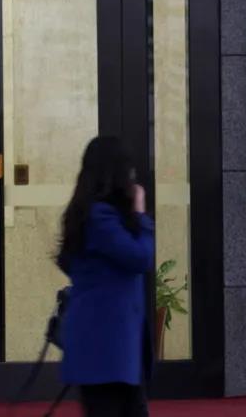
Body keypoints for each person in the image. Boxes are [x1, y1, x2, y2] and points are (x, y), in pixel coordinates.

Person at [56, 136, 154, 417]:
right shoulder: (99, 218)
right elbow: (140, 258)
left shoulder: (91, 214)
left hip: (111, 347)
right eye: (129, 169)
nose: (134, 178)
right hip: (104, 347)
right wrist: (141, 215)